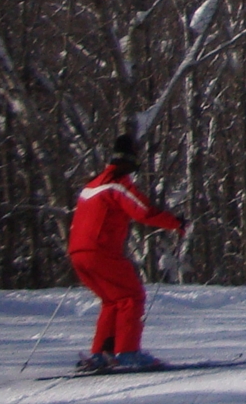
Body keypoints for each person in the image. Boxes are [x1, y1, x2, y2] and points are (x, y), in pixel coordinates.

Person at [68, 135, 185, 372]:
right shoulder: (117, 185)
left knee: (113, 301)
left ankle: (101, 353)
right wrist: (176, 223)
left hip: (78, 252)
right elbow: (143, 211)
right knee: (131, 297)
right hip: (99, 251)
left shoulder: (91, 186)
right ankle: (127, 352)